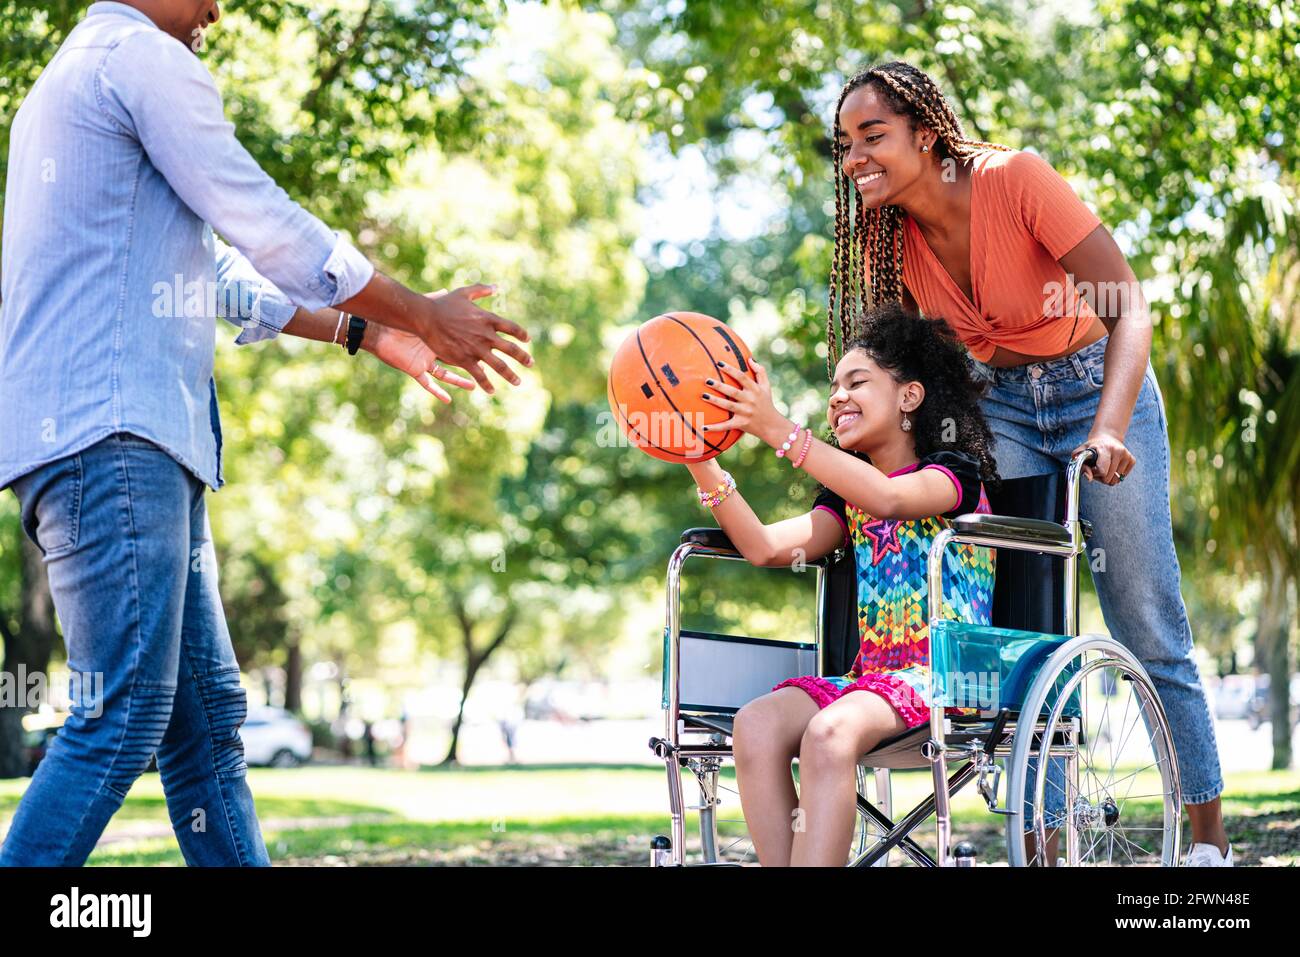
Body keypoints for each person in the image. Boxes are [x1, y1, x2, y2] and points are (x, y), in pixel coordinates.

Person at [0, 1, 532, 866]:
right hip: (115, 437)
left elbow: (209, 268)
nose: (217, 10)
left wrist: (366, 331)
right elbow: (267, 224)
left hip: (119, 440)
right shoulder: (140, 58)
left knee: (205, 720)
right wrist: (421, 314)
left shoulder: (71, 77)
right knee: (123, 712)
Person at [824, 60, 1230, 867]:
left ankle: (1207, 842)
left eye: (873, 136)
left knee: (1146, 616)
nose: (855, 158)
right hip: (996, 405)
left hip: (1094, 385)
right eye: (844, 144)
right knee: (1027, 623)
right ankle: (1042, 847)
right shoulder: (891, 244)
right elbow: (913, 380)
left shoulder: (1015, 180)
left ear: (926, 134)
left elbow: (1126, 305)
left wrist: (1109, 428)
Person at [684, 304, 997, 866]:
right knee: (754, 724)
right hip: (870, 683)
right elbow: (764, 547)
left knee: (828, 735)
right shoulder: (846, 498)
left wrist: (775, 428)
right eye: (833, 386)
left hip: (947, 679)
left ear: (910, 397)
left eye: (857, 382)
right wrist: (700, 459)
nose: (837, 397)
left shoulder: (952, 473)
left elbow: (892, 500)